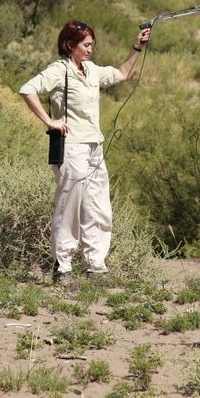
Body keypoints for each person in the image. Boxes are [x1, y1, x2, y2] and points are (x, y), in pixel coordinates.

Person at [19, 19, 150, 283]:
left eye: (92, 45)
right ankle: (63, 267)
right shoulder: (59, 71)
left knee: (98, 205)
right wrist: (50, 121)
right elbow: (27, 89)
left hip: (94, 147)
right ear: (70, 45)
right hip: (70, 147)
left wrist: (136, 48)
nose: (90, 50)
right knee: (70, 206)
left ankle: (96, 265)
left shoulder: (91, 70)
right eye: (86, 45)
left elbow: (121, 74)